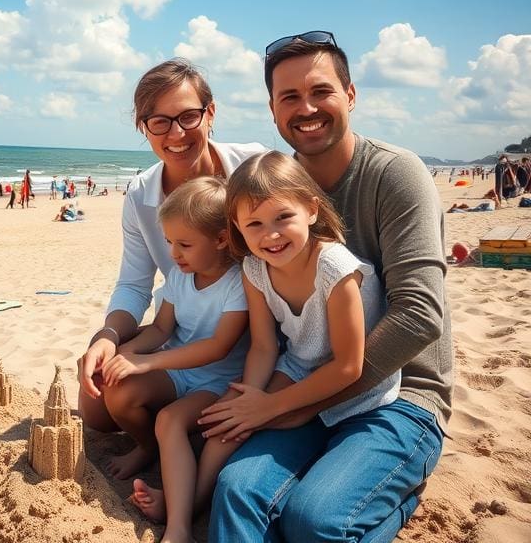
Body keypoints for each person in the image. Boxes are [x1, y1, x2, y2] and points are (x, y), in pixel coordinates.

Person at [204, 32, 450, 542]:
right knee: (237, 490)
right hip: (303, 385)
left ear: (351, 94)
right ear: (273, 111)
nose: (307, 108)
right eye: (289, 97)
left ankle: (392, 498)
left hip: (398, 394)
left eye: (321, 91)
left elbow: (420, 316)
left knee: (314, 519)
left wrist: (293, 406)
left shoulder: (394, 174)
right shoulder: (278, 192)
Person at [138, 152, 400, 537]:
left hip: (357, 390)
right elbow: (262, 347)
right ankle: (190, 504)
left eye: (283, 218)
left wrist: (270, 406)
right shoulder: (255, 269)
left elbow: (349, 366)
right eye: (254, 224)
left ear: (311, 209)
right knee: (229, 422)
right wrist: (249, 400)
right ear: (238, 231)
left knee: (251, 422)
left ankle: (190, 501)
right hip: (296, 367)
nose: (271, 235)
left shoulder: (335, 269)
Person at [77, 58, 266, 436]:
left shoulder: (252, 168)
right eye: (159, 122)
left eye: (188, 117)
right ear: (143, 128)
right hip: (186, 330)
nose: (176, 133)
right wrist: (109, 337)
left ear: (210, 113)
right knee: (97, 407)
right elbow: (134, 285)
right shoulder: (140, 195)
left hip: (256, 333)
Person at [100, 177, 249, 542]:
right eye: (169, 243)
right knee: (118, 390)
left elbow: (218, 347)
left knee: (170, 419)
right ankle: (148, 447)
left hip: (217, 382)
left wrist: (149, 363)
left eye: (184, 244)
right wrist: (129, 352)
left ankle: (178, 527)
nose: (174, 254)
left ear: (221, 239)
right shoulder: (180, 278)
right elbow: (161, 329)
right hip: (178, 372)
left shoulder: (238, 283)